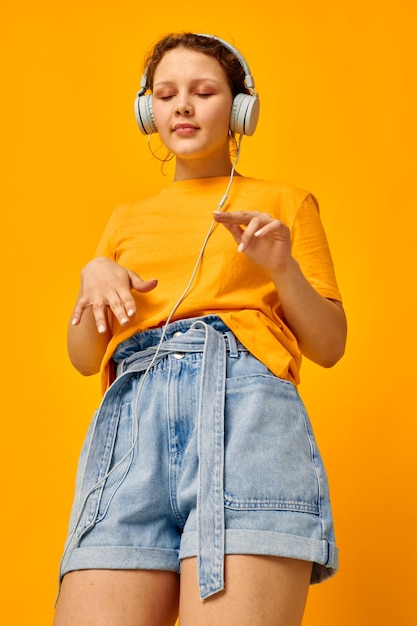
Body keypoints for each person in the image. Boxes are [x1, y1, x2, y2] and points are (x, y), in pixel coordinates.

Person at [53, 32, 347, 626]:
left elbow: (330, 344)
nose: (182, 106)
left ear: (241, 109)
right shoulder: (125, 221)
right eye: (166, 94)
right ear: (148, 112)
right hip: (131, 437)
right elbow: (85, 359)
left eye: (203, 91)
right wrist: (93, 280)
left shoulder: (285, 204)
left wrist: (281, 268)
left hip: (246, 428)